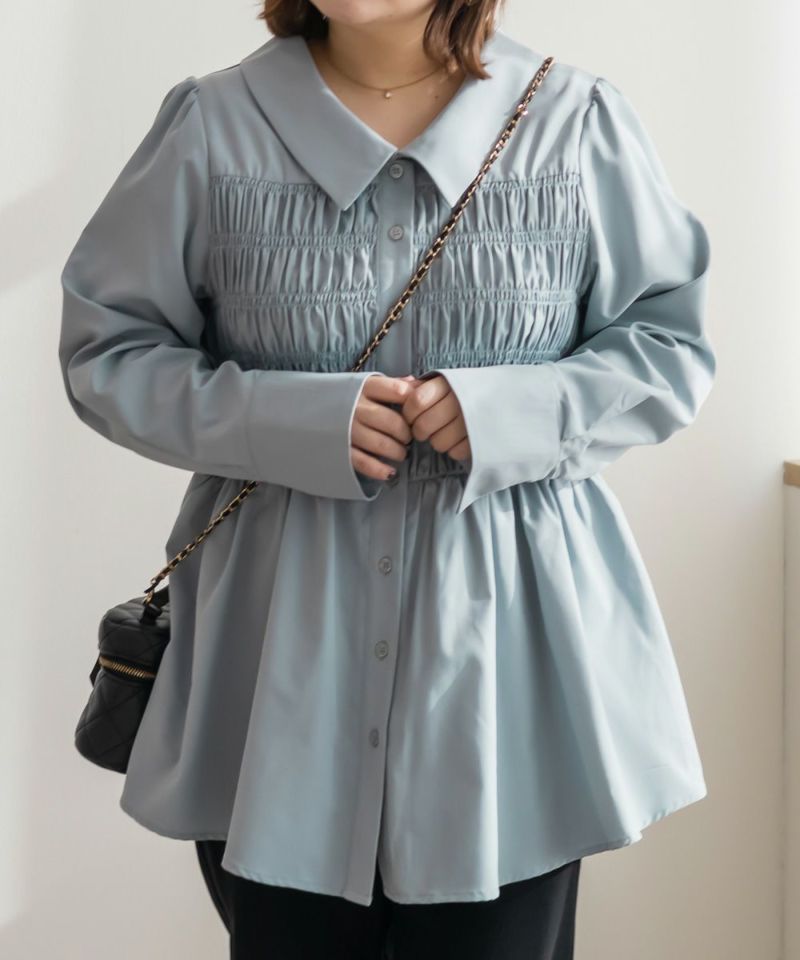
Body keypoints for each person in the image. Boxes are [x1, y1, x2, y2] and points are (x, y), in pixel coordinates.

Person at [58, 0, 715, 957]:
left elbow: (670, 344)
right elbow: (107, 353)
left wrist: (506, 413)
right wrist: (287, 421)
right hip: (274, 677)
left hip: (510, 678)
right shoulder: (214, 124)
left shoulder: (576, 121)